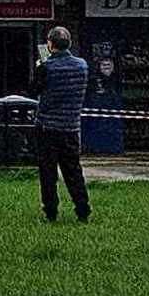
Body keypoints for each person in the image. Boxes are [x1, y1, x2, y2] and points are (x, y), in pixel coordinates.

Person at [32, 26, 92, 222]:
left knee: (48, 172)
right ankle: (82, 208)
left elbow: (34, 90)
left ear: (50, 44)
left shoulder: (47, 68)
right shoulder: (82, 66)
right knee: (73, 170)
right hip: (71, 127)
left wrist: (40, 66)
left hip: (48, 127)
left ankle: (51, 211)